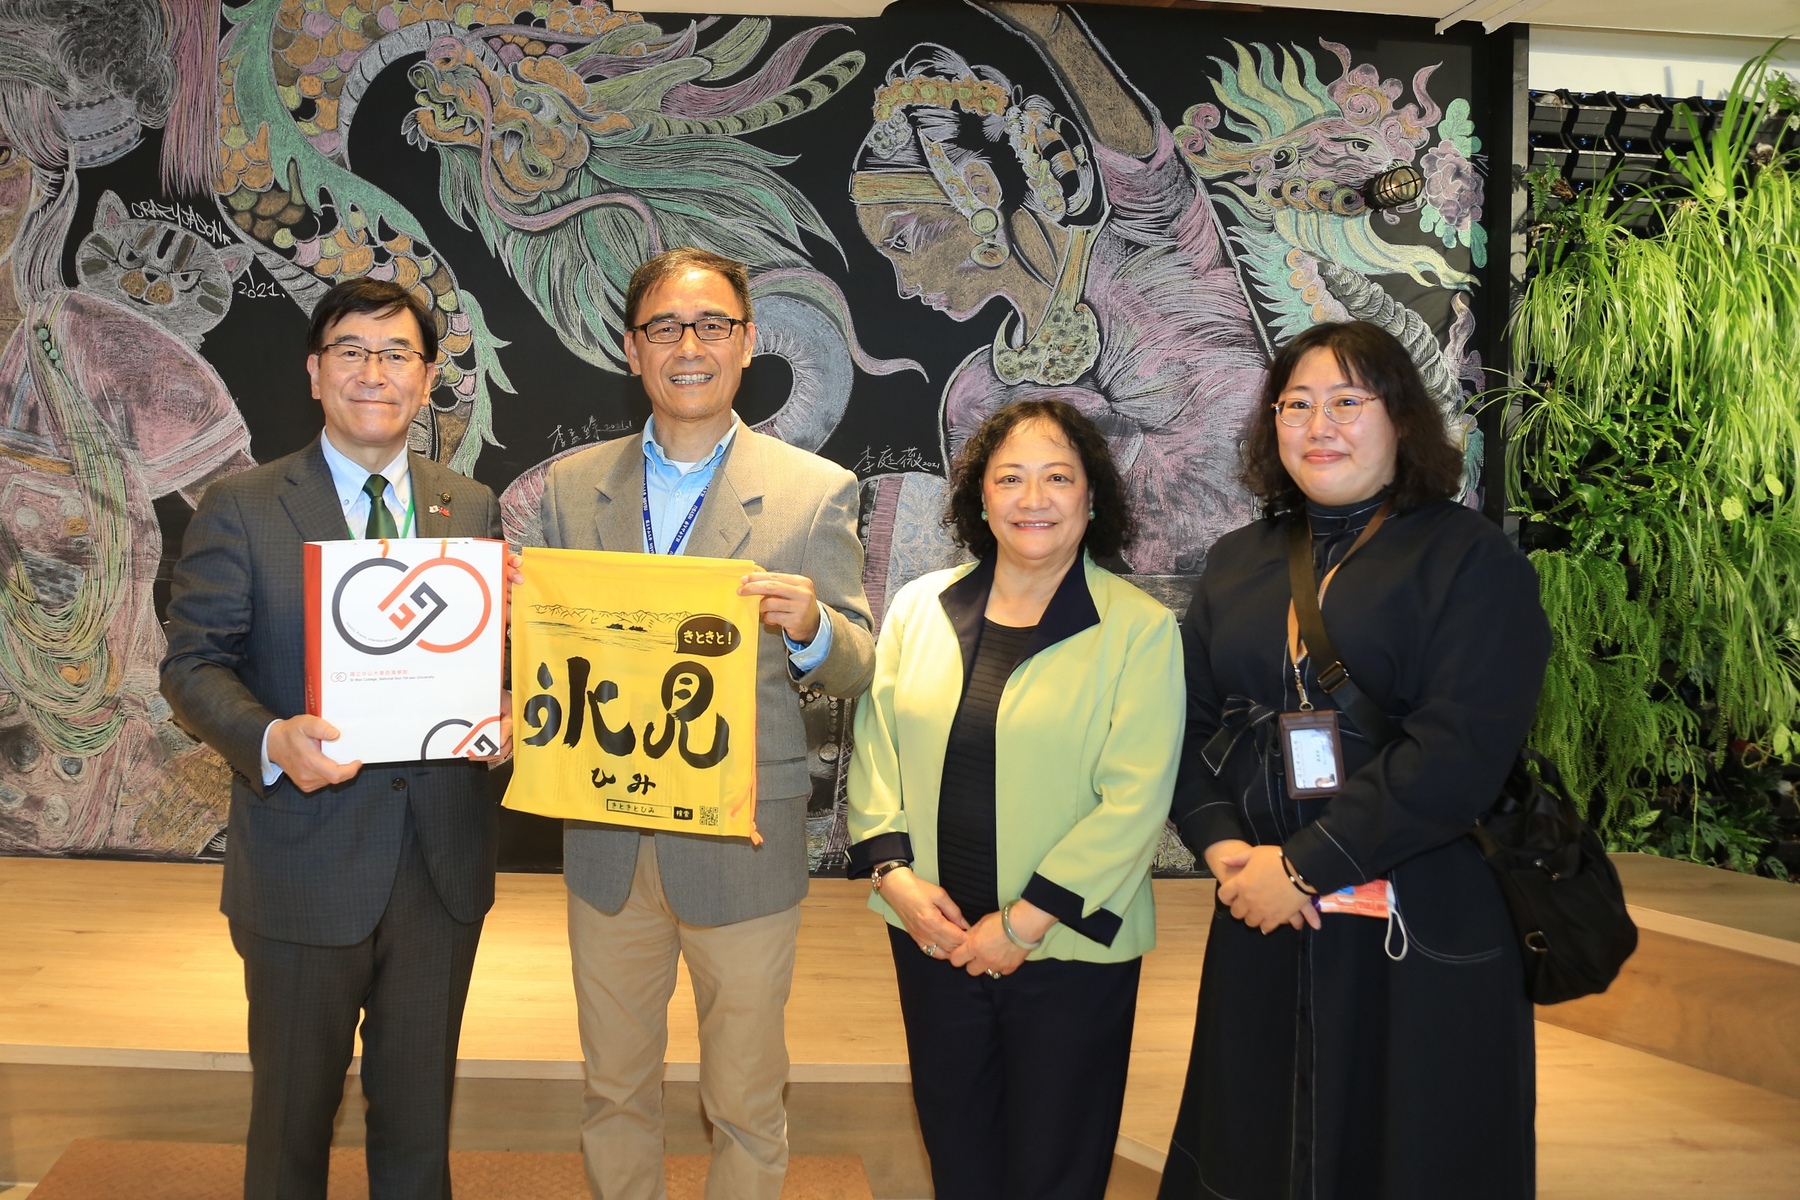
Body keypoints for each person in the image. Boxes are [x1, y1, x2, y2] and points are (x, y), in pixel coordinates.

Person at [1157, 321, 1551, 1200]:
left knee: (1408, 1150)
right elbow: (1178, 726)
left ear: (1401, 421)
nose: (1317, 424)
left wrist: (1305, 865)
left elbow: (1460, 754)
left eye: (1346, 401)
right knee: (1253, 1147)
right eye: (1296, 404)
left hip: (1419, 922)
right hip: (1260, 911)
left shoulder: (1471, 560)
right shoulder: (1238, 561)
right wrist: (1226, 850)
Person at [532, 246, 876, 1200]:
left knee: (746, 1100)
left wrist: (810, 627)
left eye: (712, 325)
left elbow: (859, 662)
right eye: (665, 329)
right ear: (633, 350)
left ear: (748, 342)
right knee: (613, 1089)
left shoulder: (813, 491)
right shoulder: (570, 489)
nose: (690, 346)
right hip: (607, 842)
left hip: (741, 839)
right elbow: (549, 661)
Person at [160, 278, 507, 1199]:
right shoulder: (240, 503)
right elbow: (191, 667)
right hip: (302, 867)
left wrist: (504, 716)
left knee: (417, 1128)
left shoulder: (468, 507)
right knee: (289, 1126)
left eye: (397, 355)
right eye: (351, 351)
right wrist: (272, 737)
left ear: (427, 379)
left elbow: (489, 658)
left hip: (441, 869)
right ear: (316, 373)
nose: (373, 372)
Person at [846, 398, 1184, 1199]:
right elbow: (876, 750)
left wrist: (1023, 923)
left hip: (1063, 950)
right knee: (958, 1150)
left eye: (1058, 478)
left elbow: (1135, 800)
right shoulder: (918, 609)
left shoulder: (1138, 629)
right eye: (1012, 479)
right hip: (934, 934)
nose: (1034, 499)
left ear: (1092, 498)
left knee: (1054, 1167)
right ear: (980, 499)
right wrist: (896, 880)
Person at [848, 4, 1265, 575]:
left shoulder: (1145, 240)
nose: (903, 283)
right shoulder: (976, 395)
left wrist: (1053, 30)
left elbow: (1138, 154)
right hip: (1096, 634)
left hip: (1253, 608)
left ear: (978, 188)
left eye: (905, 240)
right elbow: (995, 558)